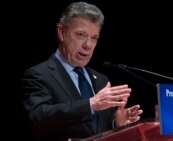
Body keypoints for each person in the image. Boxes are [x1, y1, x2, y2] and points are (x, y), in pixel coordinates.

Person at [22, 1, 143, 141]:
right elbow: (39, 117)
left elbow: (100, 131)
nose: (88, 45)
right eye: (81, 35)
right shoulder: (39, 75)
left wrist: (117, 124)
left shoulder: (102, 80)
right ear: (61, 33)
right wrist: (91, 104)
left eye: (94, 38)